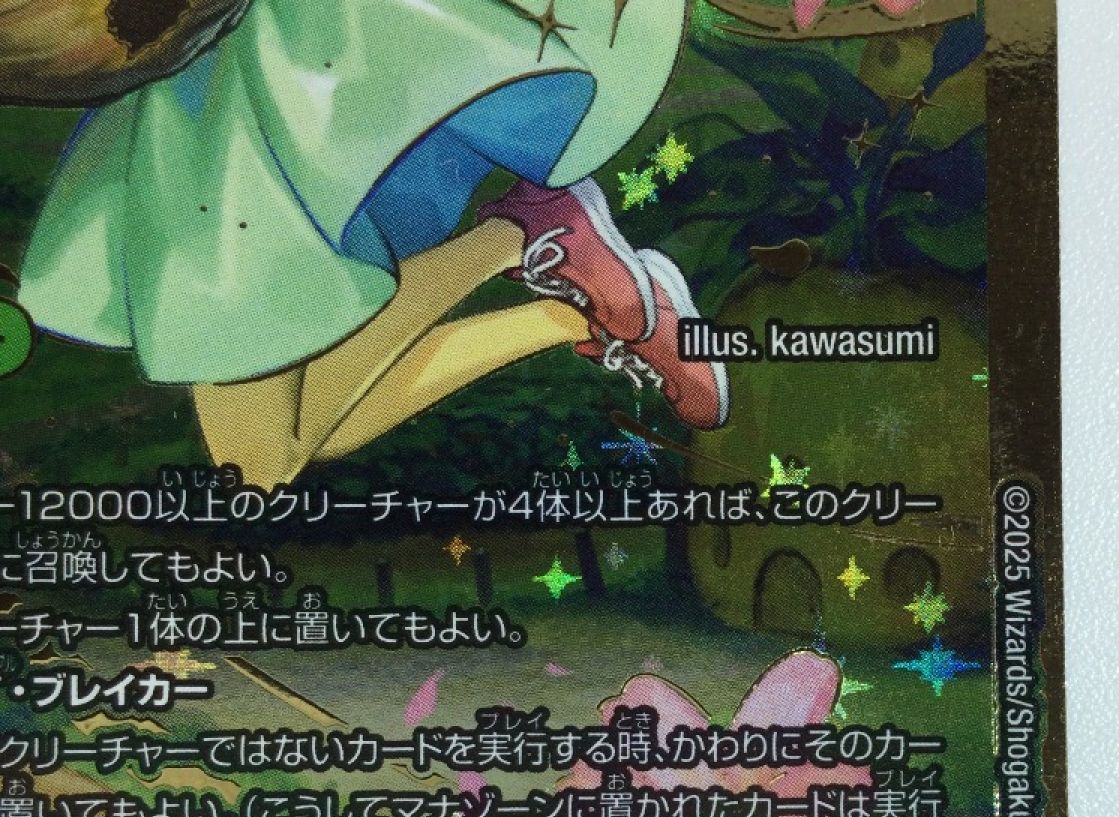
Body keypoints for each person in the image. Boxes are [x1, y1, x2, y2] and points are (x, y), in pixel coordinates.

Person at [8, 0, 728, 487]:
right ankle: (558, 299)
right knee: (262, 460)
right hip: (209, 93)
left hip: (266, 83)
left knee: (257, 462)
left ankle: (524, 239)